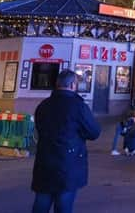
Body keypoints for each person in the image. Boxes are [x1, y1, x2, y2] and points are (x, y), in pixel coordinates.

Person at [32, 70, 101, 213]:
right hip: (68, 162)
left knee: (42, 200)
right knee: (64, 202)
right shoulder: (78, 106)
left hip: (45, 160)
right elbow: (94, 132)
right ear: (73, 85)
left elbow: (39, 128)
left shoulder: (44, 105)